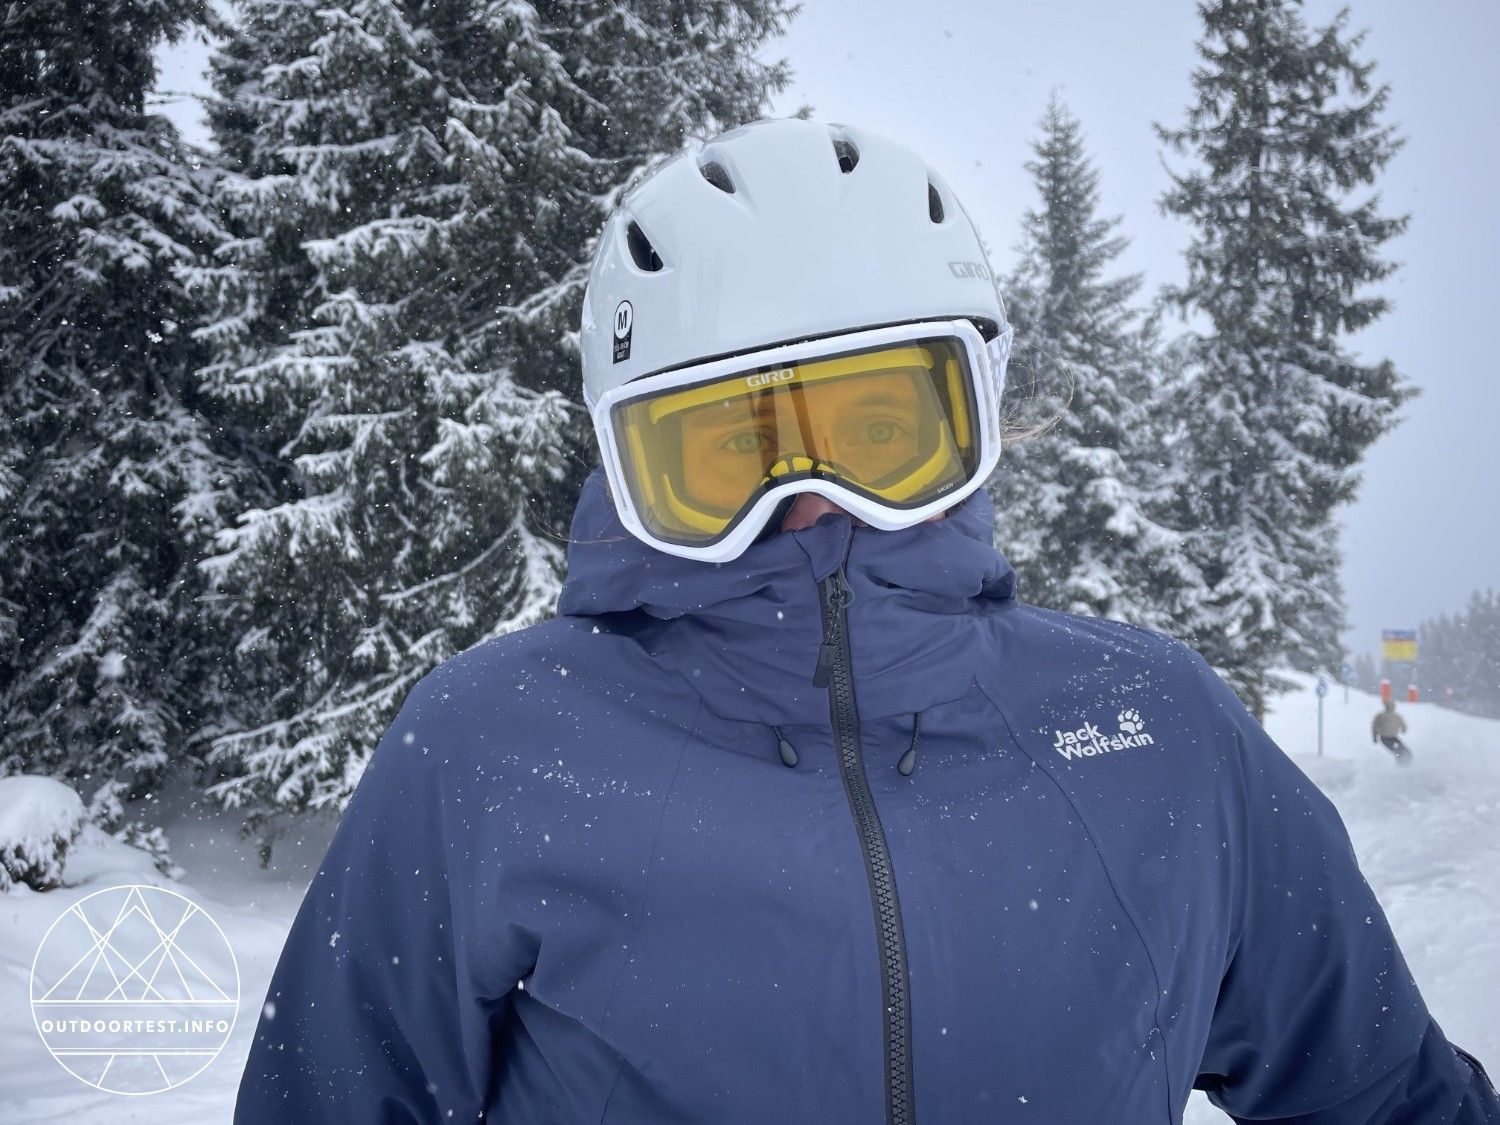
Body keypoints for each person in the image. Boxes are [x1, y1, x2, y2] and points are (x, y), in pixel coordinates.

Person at [234, 120, 1499, 1123]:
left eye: (879, 430)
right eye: (728, 449)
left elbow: (1384, 1095)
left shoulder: (1157, 729)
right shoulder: (493, 744)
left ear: (975, 410)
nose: (812, 507)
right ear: (629, 467)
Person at [1373, 698, 1414, 763]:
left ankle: (1403, 764)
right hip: (1392, 738)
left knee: (1398, 752)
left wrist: (1375, 737)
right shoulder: (1397, 717)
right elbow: (1404, 727)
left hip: (1385, 738)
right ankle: (1405, 764)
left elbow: (1374, 727)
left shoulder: (1379, 716)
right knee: (1404, 752)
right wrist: (1403, 730)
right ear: (1394, 707)